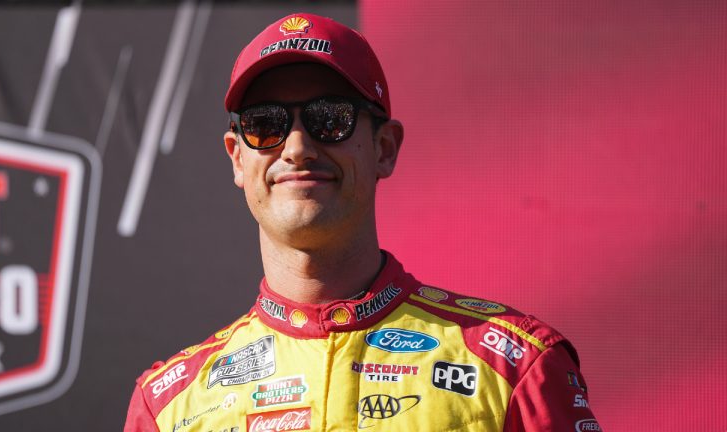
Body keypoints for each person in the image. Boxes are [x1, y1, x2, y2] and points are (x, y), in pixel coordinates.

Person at [123, 13, 600, 432]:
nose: (296, 148)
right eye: (264, 123)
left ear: (384, 148)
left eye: (330, 119)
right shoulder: (168, 407)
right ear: (236, 158)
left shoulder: (515, 368)